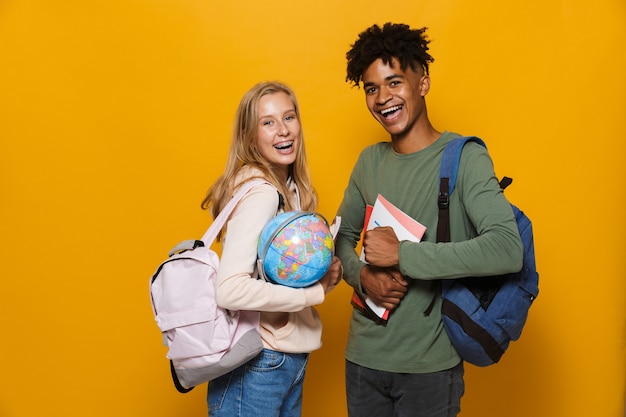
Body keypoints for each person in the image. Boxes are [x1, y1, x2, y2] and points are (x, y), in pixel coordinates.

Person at [334, 23, 524, 417]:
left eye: (394, 82)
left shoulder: (465, 157)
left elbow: (507, 249)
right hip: (363, 361)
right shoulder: (368, 161)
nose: (383, 98)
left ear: (423, 83)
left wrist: (402, 254)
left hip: (430, 368)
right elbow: (339, 238)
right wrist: (362, 276)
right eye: (371, 88)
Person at [200, 81, 343, 417]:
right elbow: (230, 289)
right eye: (268, 122)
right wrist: (312, 294)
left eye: (289, 117)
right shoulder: (262, 193)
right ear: (251, 136)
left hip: (284, 360)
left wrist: (322, 273)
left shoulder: (289, 189)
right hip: (257, 364)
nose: (283, 130)